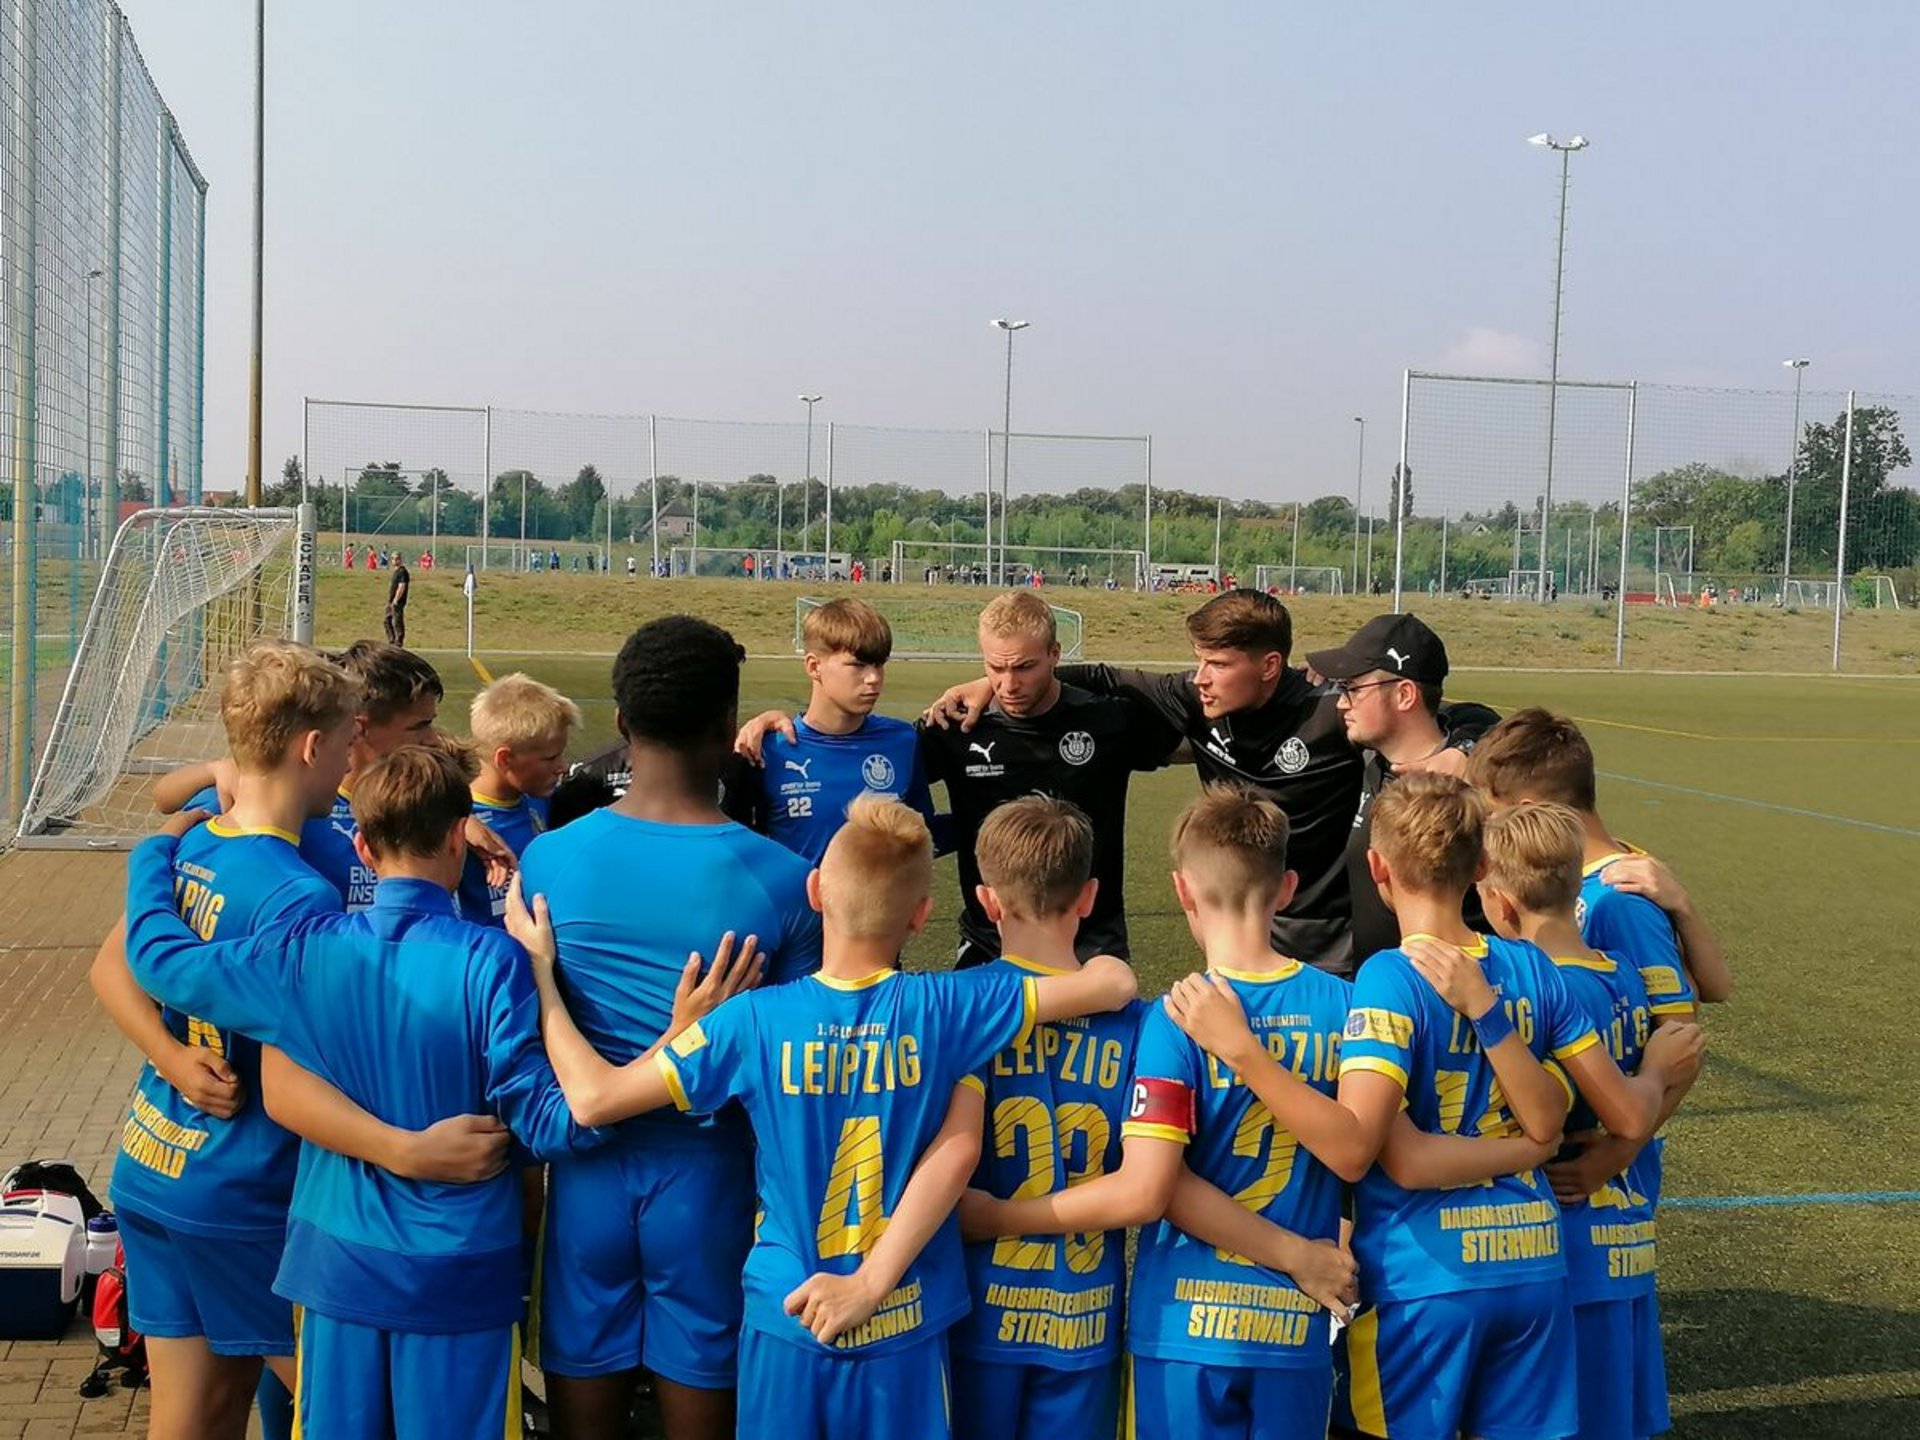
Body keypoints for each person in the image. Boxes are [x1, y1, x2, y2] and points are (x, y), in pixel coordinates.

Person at [508, 794, 1140, 1440]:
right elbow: (1111, 985)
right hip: (905, 1317)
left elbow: (592, 1100)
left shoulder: (750, 1020)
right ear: (920, 915)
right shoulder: (947, 1007)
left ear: (815, 892)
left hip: (789, 1313)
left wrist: (544, 976)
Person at [118, 744, 628, 1438]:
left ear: (361, 846)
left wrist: (153, 855)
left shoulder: (305, 950)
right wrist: (664, 1052)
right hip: (456, 1279)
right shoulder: (492, 961)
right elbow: (556, 1123)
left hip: (334, 1271)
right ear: (459, 838)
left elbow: (159, 961)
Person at [1193, 772, 1698, 1440]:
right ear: (1482, 866)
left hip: (1425, 1279)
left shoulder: (1389, 978)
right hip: (1533, 1263)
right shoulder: (1532, 968)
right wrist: (1638, 1083)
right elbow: (1615, 1118)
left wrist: (1246, 1054)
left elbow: (1387, 1157)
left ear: (1378, 867)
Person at [960, 786, 1360, 1440]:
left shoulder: (1170, 1020)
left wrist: (994, 1217)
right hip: (1269, 1322)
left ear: (1180, 890)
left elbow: (1156, 1184)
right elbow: (1365, 1152)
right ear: (1288, 888)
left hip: (1172, 1322)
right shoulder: (1343, 1006)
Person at [515, 616, 822, 1440]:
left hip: (588, 1176)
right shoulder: (785, 882)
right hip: (713, 1179)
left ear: (621, 723)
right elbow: (790, 1062)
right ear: (728, 726)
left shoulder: (549, 860)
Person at [88, 643, 357, 1440]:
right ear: (313, 746)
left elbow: (115, 965)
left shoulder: (197, 842)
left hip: (153, 1164)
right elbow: (312, 1072)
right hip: (243, 1195)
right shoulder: (297, 897)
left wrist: (171, 1057)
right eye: (346, 745)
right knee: (348, 1409)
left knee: (195, 1416)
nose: (349, 765)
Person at [1475, 802, 1699, 1440]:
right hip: (1625, 1232)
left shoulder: (1529, 991)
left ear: (1499, 903)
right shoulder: (1625, 973)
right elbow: (1684, 1045)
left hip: (1560, 1235)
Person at [945, 797, 1147, 1440]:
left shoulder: (954, 1005)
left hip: (977, 1311)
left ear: (987, 902)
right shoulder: (1139, 1025)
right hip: (1085, 1316)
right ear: (1089, 897)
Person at [917, 592, 1177, 965]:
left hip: (1091, 942)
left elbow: (1198, 730)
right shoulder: (955, 727)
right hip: (990, 940)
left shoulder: (1108, 720)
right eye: (995, 668)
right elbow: (878, 765)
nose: (1008, 684)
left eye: (1024, 667)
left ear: (1055, 654)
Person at [1301, 613, 1497, 967]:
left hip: (1458, 990)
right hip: (1379, 990)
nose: (1341, 702)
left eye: (1352, 688)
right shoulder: (1370, 760)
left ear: (1405, 694)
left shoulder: (1476, 785)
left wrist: (1469, 751)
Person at [724, 599, 943, 864]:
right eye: (858, 665)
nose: (874, 678)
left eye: (879, 664)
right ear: (814, 667)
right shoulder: (767, 750)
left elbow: (924, 836)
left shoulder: (902, 740)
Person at [454, 673, 579, 927]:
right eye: (550, 758)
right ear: (505, 759)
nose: (562, 767)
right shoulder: (455, 819)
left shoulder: (537, 798)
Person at [384, 555, 410, 645]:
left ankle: (398, 642)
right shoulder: (396, 572)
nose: (395, 561)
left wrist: (396, 599)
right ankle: (392, 640)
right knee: (387, 620)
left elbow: (402, 586)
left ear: (400, 560)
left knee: (397, 621)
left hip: (397, 602)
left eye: (397, 559)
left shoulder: (402, 572)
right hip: (391, 601)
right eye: (393, 559)